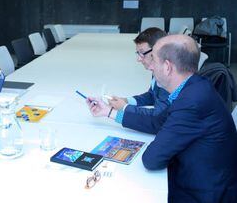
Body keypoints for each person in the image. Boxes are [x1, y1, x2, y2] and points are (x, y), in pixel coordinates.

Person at [87, 35, 237, 202]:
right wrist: (108, 112)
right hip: (203, 176)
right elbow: (158, 121)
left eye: (154, 61)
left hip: (203, 193)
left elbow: (152, 159)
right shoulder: (195, 85)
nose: (150, 66)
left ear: (167, 67)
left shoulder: (191, 102)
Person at [109, 27, 169, 118]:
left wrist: (124, 108)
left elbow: (159, 117)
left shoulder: (169, 76)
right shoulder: (157, 69)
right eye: (138, 53)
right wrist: (126, 101)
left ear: (157, 51)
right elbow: (152, 95)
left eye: (142, 53)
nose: (138, 59)